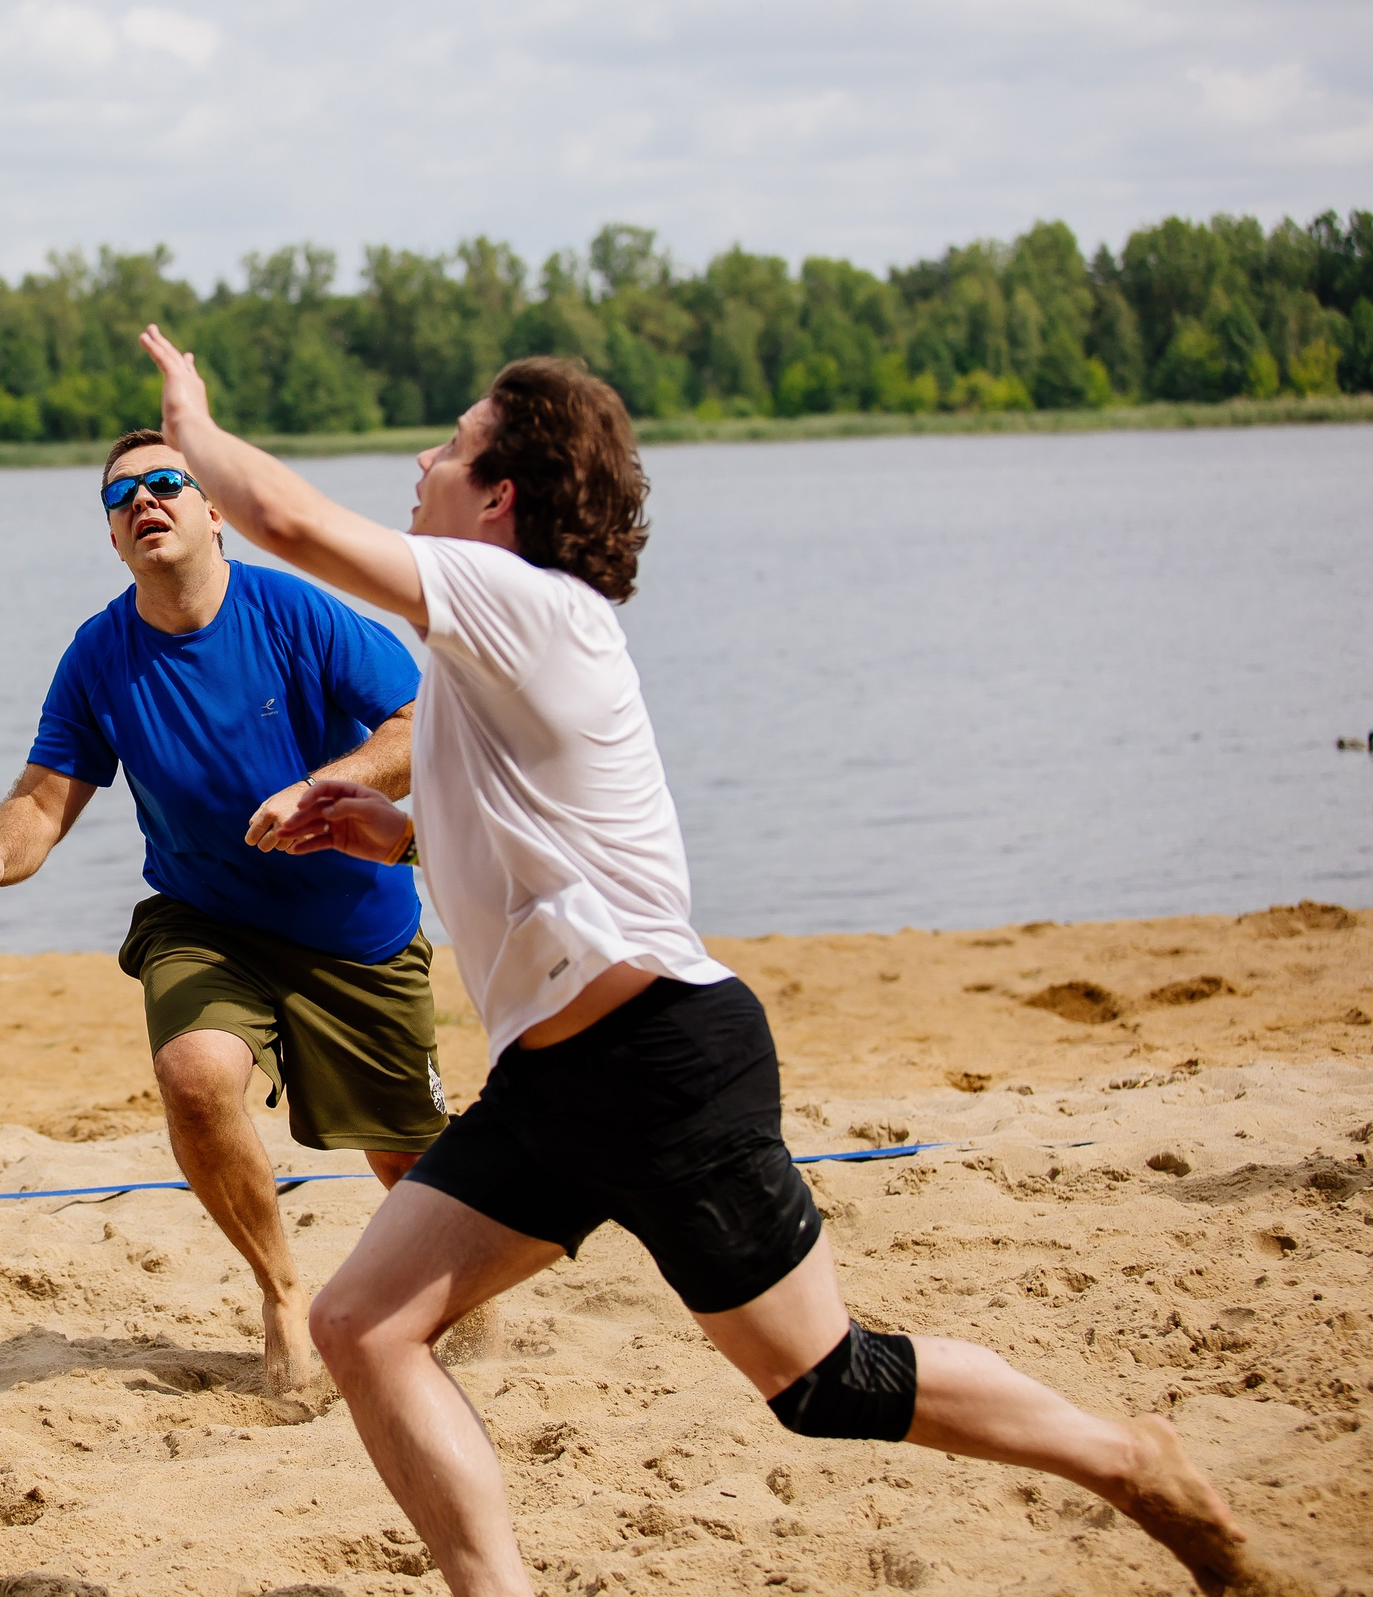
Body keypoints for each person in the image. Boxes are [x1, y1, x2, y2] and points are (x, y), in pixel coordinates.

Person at [131, 328, 1278, 1597]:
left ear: (501, 496)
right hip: (549, 1092)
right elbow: (541, 837)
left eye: (450, 448)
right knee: (361, 1326)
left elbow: (289, 523)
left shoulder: (526, 603)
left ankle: (1130, 1462)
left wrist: (192, 426)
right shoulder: (484, 649)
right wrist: (396, 832)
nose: (421, 462)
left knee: (824, 1384)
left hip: (662, 1061)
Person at [0, 427, 446, 1392]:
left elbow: (423, 724)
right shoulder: (100, 654)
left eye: (166, 481)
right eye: (121, 495)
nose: (144, 500)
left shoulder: (295, 611)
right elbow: (45, 795)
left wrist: (320, 790)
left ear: (214, 511)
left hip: (356, 929)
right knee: (194, 1074)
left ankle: (460, 1310)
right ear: (113, 537)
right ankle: (283, 1294)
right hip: (206, 918)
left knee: (406, 1164)